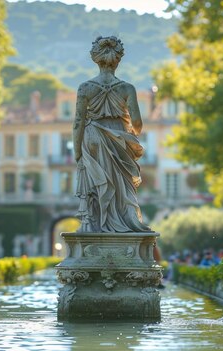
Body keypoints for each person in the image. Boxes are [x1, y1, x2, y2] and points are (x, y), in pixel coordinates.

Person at [73, 36, 150, 233]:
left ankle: (95, 225)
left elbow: (78, 122)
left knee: (95, 183)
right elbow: (138, 123)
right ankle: (124, 222)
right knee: (121, 185)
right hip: (119, 137)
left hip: (92, 136)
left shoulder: (85, 88)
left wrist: (77, 151)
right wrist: (132, 133)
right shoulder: (127, 88)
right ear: (118, 60)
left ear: (96, 59)